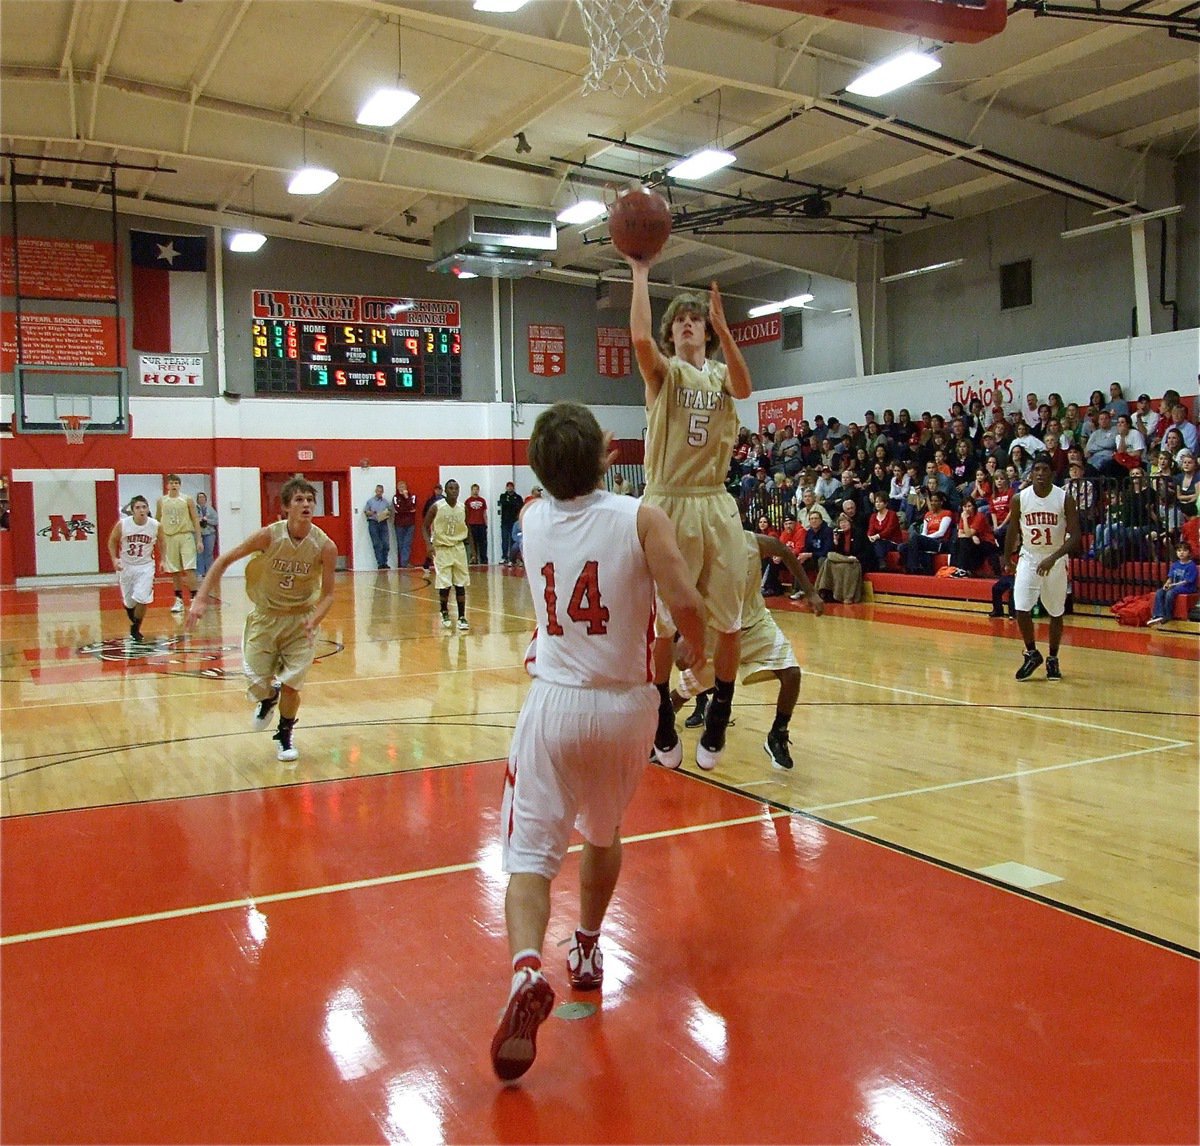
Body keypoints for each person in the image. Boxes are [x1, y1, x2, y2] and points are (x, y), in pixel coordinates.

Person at [490, 402, 705, 1083]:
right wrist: (698, 662)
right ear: (610, 452)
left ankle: (529, 968)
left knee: (529, 857)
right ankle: (585, 950)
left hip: (555, 701)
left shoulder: (528, 519)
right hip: (627, 707)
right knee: (603, 833)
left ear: (537, 468)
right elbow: (686, 605)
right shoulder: (642, 518)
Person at [627, 252, 751, 772]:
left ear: (706, 331)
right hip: (667, 501)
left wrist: (726, 329)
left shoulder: (723, 376)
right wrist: (639, 275)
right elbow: (638, 342)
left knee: (729, 623)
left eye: (694, 320)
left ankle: (719, 710)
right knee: (661, 625)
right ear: (671, 334)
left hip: (714, 501)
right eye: (678, 321)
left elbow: (746, 389)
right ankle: (660, 715)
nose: (685, 325)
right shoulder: (664, 374)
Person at [186, 477, 337, 763]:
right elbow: (224, 560)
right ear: (285, 507)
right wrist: (201, 598)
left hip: (300, 619)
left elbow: (329, 595)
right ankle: (267, 698)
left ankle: (284, 736)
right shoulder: (269, 536)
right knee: (256, 679)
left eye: (310, 499)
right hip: (266, 617)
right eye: (299, 500)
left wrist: (314, 619)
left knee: (293, 684)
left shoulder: (325, 546)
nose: (306, 504)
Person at [674, 529, 823, 769]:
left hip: (755, 625)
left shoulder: (754, 543)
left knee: (792, 673)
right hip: (716, 632)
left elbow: (785, 550)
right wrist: (685, 634)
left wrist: (811, 592)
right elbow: (684, 593)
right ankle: (661, 731)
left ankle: (778, 733)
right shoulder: (701, 551)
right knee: (683, 692)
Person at [1002, 454, 1081, 681]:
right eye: (1036, 469)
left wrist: (1054, 557)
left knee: (1056, 611)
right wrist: (1007, 557)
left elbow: (1075, 536)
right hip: (1029, 557)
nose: (1040, 473)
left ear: (1052, 473)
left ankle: (1053, 658)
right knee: (1021, 607)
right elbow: (1013, 530)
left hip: (1054, 559)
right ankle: (1031, 653)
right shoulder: (1020, 498)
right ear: (1031, 472)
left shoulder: (1063, 498)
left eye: (1044, 469)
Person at [107, 495, 162, 643]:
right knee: (129, 603)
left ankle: (136, 628)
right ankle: (134, 619)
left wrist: (163, 560)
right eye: (138, 507)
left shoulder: (155, 525)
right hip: (126, 566)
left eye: (144, 507)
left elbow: (162, 543)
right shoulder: (123, 524)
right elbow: (112, 541)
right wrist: (114, 559)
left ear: (148, 509)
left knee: (143, 598)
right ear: (132, 511)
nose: (141, 510)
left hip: (145, 566)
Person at [423, 478, 470, 630]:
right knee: (445, 584)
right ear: (445, 490)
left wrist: (472, 549)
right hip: (442, 548)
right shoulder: (437, 507)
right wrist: (428, 545)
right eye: (450, 488)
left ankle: (462, 616)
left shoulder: (463, 507)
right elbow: (424, 526)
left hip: (458, 547)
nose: (454, 491)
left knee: (461, 583)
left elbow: (467, 527)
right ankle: (444, 611)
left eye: (456, 488)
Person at [156, 474, 202, 615]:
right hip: (169, 536)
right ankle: (178, 599)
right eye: (172, 483)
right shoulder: (161, 501)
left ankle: (194, 599)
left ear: (180, 485)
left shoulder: (186, 499)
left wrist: (199, 539)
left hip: (185, 535)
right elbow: (157, 520)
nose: (174, 485)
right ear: (167, 485)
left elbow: (195, 519)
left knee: (189, 568)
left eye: (176, 483)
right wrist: (158, 538)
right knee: (174, 570)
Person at [1148, 541, 1198, 626]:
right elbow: (1170, 577)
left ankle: (1168, 615)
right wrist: (1166, 584)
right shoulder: (1175, 564)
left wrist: (1173, 585)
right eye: (1179, 550)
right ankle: (1158, 614)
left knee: (1170, 593)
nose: (1181, 553)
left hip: (1187, 587)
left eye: (1184, 550)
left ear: (1189, 552)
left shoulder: (1191, 565)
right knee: (1160, 592)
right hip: (1174, 586)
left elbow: (1187, 581)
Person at [392, 480, 418, 568]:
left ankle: (404, 563)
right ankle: (403, 562)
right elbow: (398, 509)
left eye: (403, 487)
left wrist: (407, 498)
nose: (401, 489)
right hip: (399, 524)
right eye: (400, 487)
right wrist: (407, 510)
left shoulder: (412, 496)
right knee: (400, 543)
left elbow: (413, 507)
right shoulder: (395, 497)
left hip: (410, 523)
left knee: (407, 543)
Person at [364, 484, 390, 570]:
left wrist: (387, 514)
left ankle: (385, 562)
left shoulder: (386, 502)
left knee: (386, 544)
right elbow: (366, 511)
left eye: (381, 491)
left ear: (382, 492)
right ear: (375, 491)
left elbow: (389, 511)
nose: (379, 493)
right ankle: (380, 563)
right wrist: (372, 513)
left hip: (383, 522)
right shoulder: (370, 501)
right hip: (373, 522)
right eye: (378, 491)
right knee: (377, 544)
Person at [498, 481, 523, 564]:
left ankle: (512, 559)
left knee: (513, 540)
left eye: (511, 486)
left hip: (514, 522)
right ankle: (504, 557)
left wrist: (511, 503)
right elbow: (504, 504)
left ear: (513, 487)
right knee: (504, 540)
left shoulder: (518, 497)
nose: (509, 488)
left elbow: (519, 506)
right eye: (508, 487)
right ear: (506, 488)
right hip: (505, 522)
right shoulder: (503, 496)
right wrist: (511, 504)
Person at [195, 492, 218, 579]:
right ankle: (200, 572)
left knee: (209, 553)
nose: (201, 499)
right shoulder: (194, 509)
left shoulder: (210, 509)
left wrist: (207, 520)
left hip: (209, 533)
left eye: (203, 498)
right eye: (199, 498)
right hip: (199, 533)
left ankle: (209, 572)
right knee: (199, 553)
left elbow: (216, 521)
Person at [464, 483, 488, 564]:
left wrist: (486, 524)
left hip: (481, 524)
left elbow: (484, 513)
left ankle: (484, 559)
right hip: (471, 524)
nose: (475, 491)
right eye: (474, 489)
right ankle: (474, 559)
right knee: (472, 543)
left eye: (477, 489)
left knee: (483, 543)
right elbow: (465, 514)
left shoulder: (482, 500)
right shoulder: (468, 501)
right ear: (471, 490)